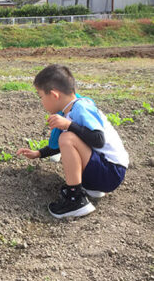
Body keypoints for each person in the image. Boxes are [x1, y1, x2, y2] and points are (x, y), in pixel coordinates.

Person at [17, 64, 129, 219]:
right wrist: (38, 153)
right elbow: (65, 145)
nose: (41, 101)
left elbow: (98, 140)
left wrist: (68, 125)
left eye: (40, 96)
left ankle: (75, 199)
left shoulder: (80, 108)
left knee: (67, 137)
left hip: (110, 171)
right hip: (104, 170)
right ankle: (91, 188)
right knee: (67, 138)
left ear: (54, 95)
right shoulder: (69, 110)